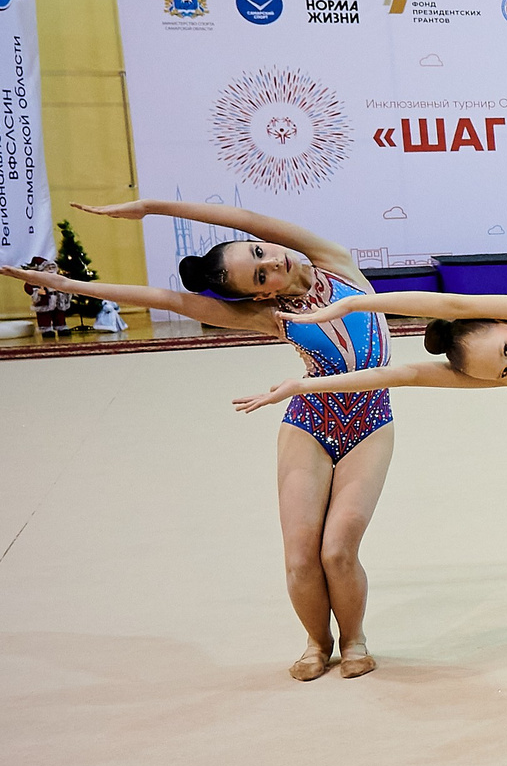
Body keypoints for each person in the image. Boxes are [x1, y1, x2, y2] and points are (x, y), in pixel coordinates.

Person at [4, 200, 397, 682]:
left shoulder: (332, 261)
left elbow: (243, 220)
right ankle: (318, 641)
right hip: (309, 421)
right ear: (257, 297)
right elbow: (167, 300)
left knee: (337, 551)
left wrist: (151, 207)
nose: (273, 262)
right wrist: (69, 286)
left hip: (369, 422)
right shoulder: (273, 317)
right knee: (299, 557)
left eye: (261, 253)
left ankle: (354, 638)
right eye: (258, 275)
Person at [234, 288, 507, 712]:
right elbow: (402, 375)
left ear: (505, 323)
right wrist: (304, 387)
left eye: (506, 350)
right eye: (504, 371)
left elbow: (452, 304)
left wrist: (355, 303)